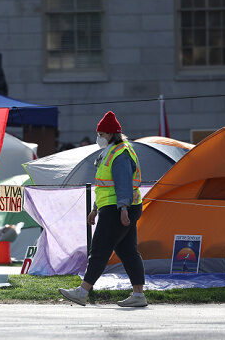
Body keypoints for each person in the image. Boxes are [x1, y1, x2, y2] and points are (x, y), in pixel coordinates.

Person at [59, 111, 147, 307]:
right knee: (128, 251)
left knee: (99, 249)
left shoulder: (120, 154)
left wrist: (123, 208)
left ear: (111, 134)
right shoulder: (111, 152)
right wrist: (95, 209)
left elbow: (123, 183)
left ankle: (82, 292)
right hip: (118, 207)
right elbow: (104, 185)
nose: (98, 138)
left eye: (101, 134)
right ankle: (139, 295)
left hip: (119, 209)